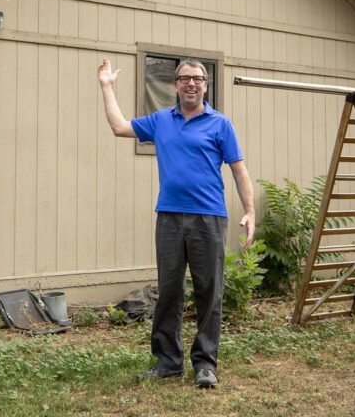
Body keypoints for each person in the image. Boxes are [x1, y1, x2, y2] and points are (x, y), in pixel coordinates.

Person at [97, 57, 255, 389]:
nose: (191, 84)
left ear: (206, 85)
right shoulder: (161, 121)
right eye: (185, 78)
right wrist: (107, 87)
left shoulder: (220, 124)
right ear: (175, 84)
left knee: (209, 292)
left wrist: (250, 211)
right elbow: (119, 127)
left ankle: (205, 364)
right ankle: (168, 361)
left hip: (209, 218)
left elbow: (239, 171)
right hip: (169, 217)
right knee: (169, 291)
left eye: (197, 78)